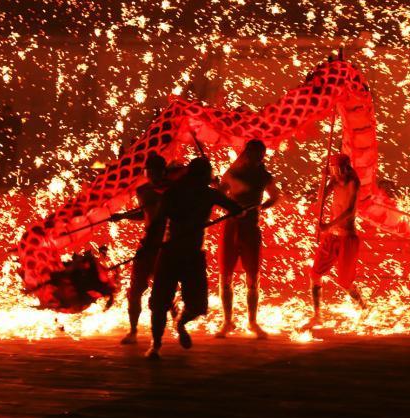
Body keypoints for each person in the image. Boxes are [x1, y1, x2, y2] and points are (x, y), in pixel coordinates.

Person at [146, 157, 243, 359]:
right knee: (159, 303)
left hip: (188, 254)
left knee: (197, 305)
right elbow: (158, 221)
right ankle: (155, 345)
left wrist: (236, 208)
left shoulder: (206, 194)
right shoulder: (177, 193)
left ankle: (179, 323)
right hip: (172, 252)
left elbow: (234, 208)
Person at [216, 140, 281, 339]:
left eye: (262, 154)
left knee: (252, 277)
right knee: (226, 275)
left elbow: (275, 196)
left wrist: (262, 207)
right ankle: (227, 321)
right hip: (231, 227)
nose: (260, 157)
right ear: (248, 153)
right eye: (256, 153)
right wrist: (229, 205)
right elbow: (219, 194)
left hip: (251, 229)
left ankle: (252, 322)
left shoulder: (264, 176)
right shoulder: (233, 173)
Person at [110, 153, 169, 344]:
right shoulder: (143, 191)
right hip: (147, 245)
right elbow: (144, 214)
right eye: (149, 172)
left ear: (163, 171)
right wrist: (124, 216)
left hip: (167, 245)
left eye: (156, 172)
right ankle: (133, 330)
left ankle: (170, 325)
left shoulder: (174, 190)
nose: (153, 175)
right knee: (135, 290)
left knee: (164, 291)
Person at [305, 153, 365, 329]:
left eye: (338, 170)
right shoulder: (335, 180)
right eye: (333, 170)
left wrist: (328, 224)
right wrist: (323, 178)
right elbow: (320, 198)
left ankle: (363, 307)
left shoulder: (354, 182)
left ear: (346, 168)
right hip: (331, 237)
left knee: (345, 282)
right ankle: (317, 316)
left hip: (347, 238)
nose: (336, 173)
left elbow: (349, 212)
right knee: (315, 274)